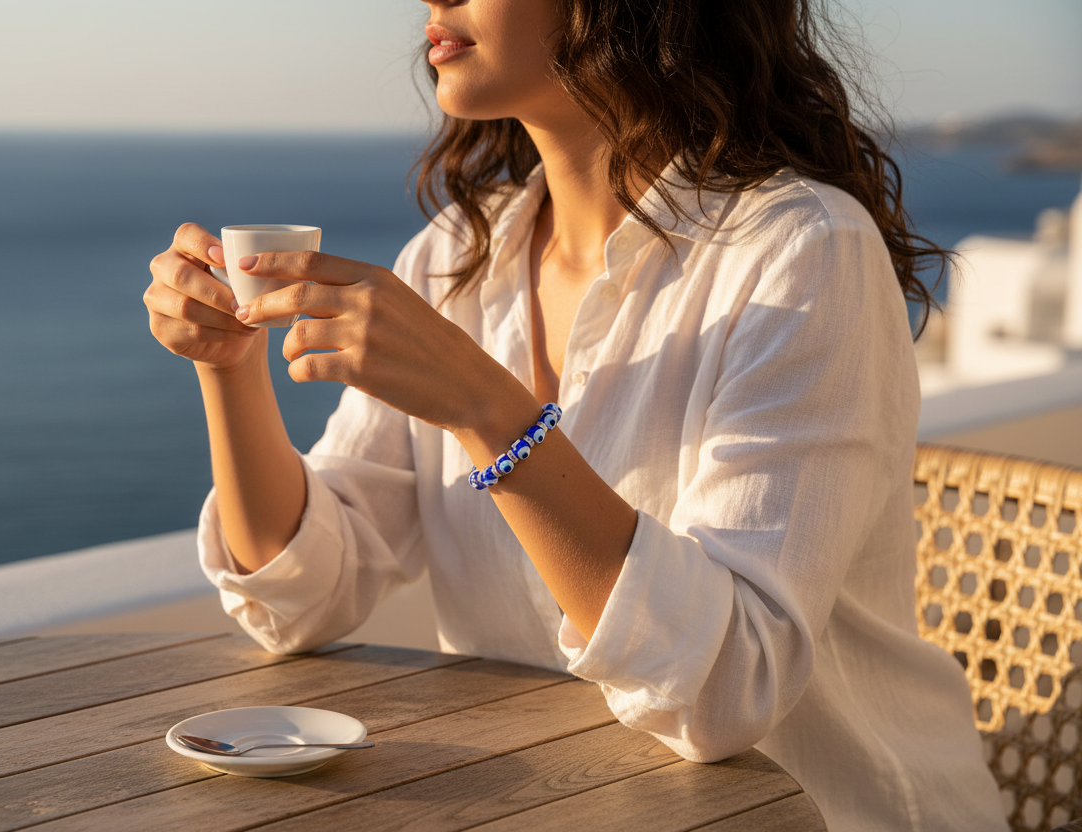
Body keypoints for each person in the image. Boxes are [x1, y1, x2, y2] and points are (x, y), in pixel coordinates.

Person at [143, 0, 1007, 829]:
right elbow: (302, 597)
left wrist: (486, 410)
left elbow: (727, 687)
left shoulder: (802, 253)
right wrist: (230, 371)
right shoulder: (457, 257)